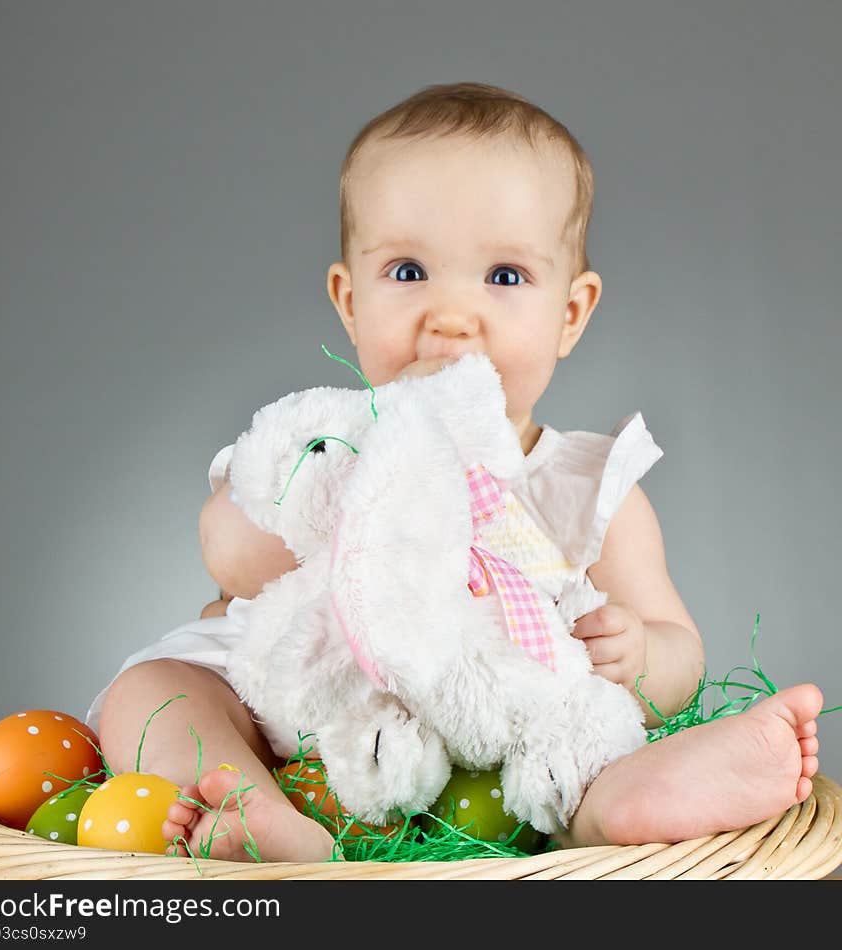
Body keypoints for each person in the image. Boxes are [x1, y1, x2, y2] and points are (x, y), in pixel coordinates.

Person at [90, 82, 823, 863]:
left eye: (504, 277)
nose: (450, 315)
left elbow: (682, 646)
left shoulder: (580, 488)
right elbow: (230, 555)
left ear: (570, 314)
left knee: (577, 758)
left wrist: (643, 654)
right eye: (408, 272)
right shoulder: (326, 446)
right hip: (314, 726)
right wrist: (337, 495)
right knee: (153, 693)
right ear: (349, 299)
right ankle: (249, 807)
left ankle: (625, 806)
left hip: (508, 735)